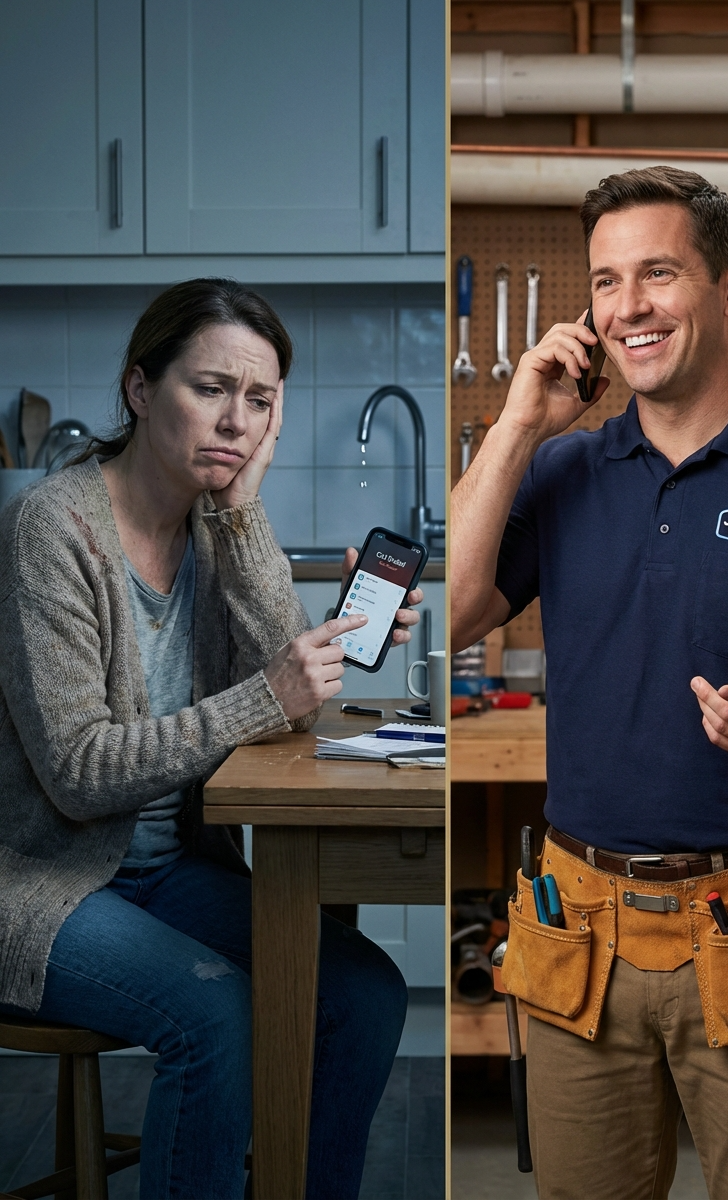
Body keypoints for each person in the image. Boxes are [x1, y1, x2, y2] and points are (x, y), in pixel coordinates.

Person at [451, 167, 728, 1199]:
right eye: (605, 282)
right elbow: (461, 607)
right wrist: (518, 423)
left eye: (658, 273)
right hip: (577, 935)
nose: (626, 307)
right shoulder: (562, 470)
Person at [0, 278, 421, 1200]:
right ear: (140, 389)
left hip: (167, 874)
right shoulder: (50, 530)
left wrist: (240, 513)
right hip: (42, 883)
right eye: (211, 389)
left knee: (363, 996)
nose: (237, 420)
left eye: (260, 401)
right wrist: (266, 694)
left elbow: (295, 706)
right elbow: (77, 773)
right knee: (218, 1012)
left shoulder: (213, 524)